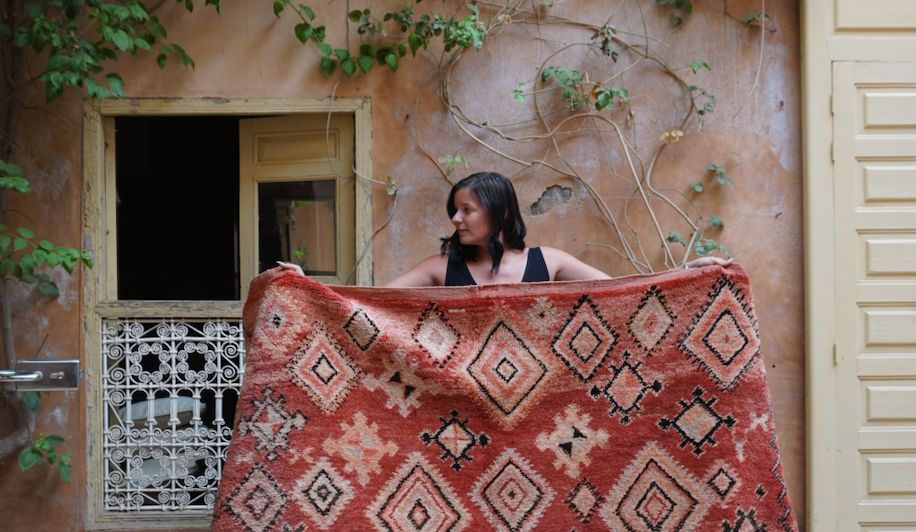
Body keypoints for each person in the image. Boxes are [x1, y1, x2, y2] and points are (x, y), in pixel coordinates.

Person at [280, 171, 730, 287]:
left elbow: (625, 292)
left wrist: (689, 271)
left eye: (466, 210)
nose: (455, 220)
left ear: (496, 213)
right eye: (453, 212)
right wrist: (311, 289)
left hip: (540, 414)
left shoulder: (548, 261)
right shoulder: (440, 269)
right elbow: (370, 302)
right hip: (463, 418)